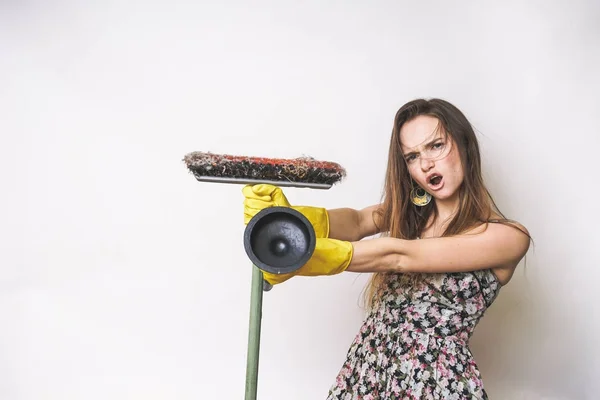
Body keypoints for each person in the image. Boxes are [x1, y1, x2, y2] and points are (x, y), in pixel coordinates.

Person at [242, 98, 531, 399]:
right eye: (412, 156)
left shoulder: (506, 237)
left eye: (436, 146)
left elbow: (399, 257)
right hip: (367, 373)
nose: (425, 164)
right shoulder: (411, 213)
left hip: (434, 385)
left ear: (465, 145)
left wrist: (306, 255)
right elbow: (356, 222)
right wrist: (285, 221)